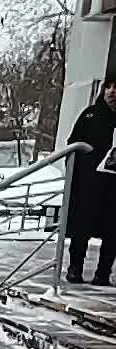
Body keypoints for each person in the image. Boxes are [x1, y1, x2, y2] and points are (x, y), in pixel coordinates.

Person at [65, 74, 116, 285]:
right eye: (108, 87)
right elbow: (72, 144)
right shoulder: (91, 115)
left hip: (114, 186)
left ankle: (103, 273)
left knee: (113, 229)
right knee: (81, 227)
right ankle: (75, 268)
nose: (112, 92)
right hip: (89, 182)